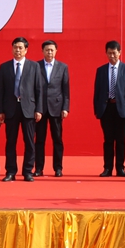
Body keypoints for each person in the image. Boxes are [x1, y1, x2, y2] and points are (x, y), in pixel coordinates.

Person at [0, 37, 44, 181]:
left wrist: (39, 109)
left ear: (26, 50)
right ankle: (10, 171)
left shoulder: (34, 66)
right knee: (10, 141)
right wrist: (0, 111)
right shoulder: (4, 67)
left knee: (29, 141)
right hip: (10, 109)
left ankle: (28, 171)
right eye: (15, 47)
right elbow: (0, 91)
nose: (17, 50)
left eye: (20, 48)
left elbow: (39, 89)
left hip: (28, 109)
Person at [93, 40, 125, 177]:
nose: (112, 56)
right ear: (106, 53)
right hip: (106, 108)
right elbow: (97, 91)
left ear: (119, 53)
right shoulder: (101, 70)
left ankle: (120, 168)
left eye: (114, 53)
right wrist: (97, 109)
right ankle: (107, 168)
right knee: (108, 139)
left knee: (121, 140)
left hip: (121, 108)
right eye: (109, 53)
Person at [35, 40, 70, 177]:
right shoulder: (36, 66)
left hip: (56, 107)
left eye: (52, 50)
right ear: (42, 51)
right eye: (47, 50)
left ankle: (58, 168)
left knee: (57, 140)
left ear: (56, 51)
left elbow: (66, 90)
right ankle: (38, 168)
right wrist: (35, 108)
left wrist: (65, 108)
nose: (49, 52)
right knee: (39, 140)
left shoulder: (63, 67)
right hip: (40, 108)